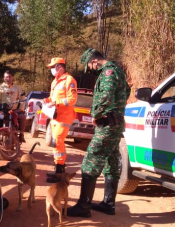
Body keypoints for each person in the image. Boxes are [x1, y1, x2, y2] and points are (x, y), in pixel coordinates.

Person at [68, 49, 131, 217]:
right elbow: (127, 92)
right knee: (110, 163)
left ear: (94, 61)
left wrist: (95, 115)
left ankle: (83, 207)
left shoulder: (108, 72)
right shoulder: (118, 71)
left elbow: (105, 96)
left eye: (90, 67)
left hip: (107, 125)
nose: (91, 71)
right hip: (115, 124)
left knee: (90, 162)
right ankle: (108, 204)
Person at [43, 57, 78, 183]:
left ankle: (59, 172)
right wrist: (47, 101)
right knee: (54, 143)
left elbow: (72, 99)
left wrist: (56, 102)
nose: (51, 69)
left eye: (53, 67)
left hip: (64, 117)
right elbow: (52, 98)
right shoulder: (55, 82)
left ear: (60, 67)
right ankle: (59, 169)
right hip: (54, 117)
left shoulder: (70, 80)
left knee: (58, 141)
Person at [0, 70, 26, 143]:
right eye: (6, 77)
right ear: (4, 78)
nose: (7, 78)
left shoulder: (17, 88)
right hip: (3, 111)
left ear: (12, 77)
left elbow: (23, 98)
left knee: (23, 117)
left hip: (14, 110)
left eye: (9, 77)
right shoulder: (0, 88)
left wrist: (20, 109)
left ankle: (21, 135)